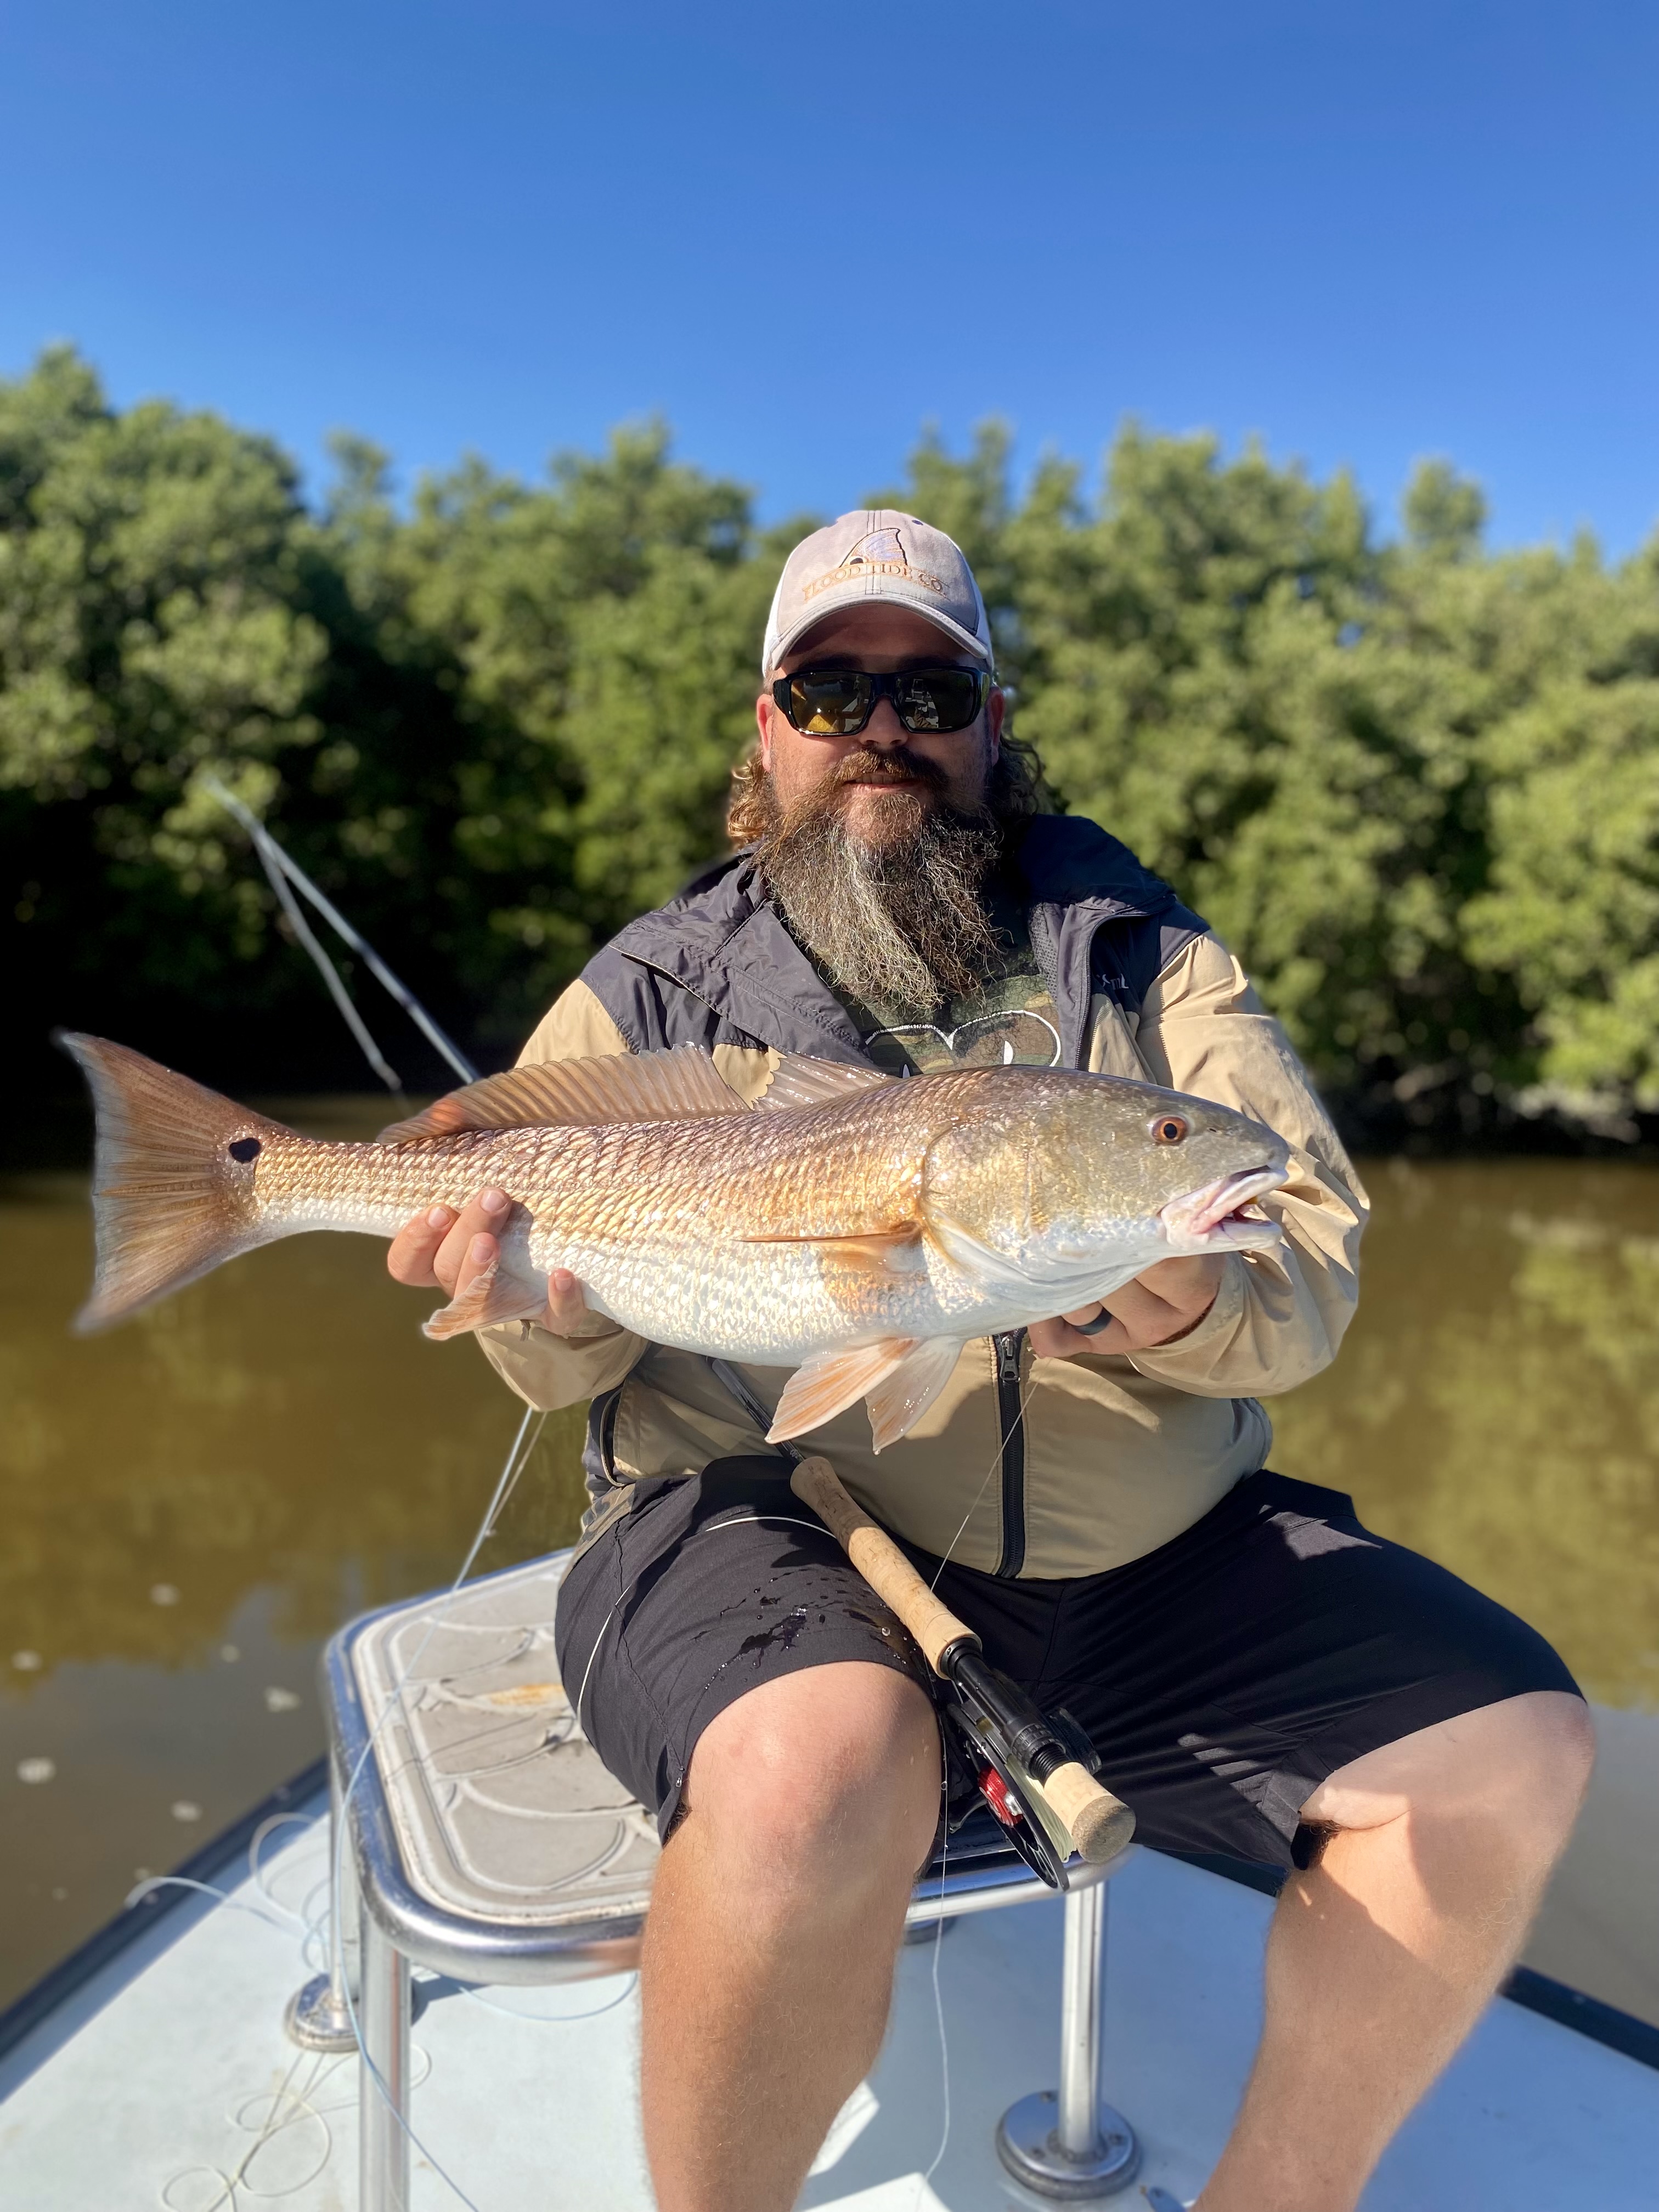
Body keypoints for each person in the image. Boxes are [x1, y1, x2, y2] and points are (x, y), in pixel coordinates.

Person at [388, 511, 1592, 2212]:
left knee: (1513, 1745)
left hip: (1144, 1551)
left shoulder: (1150, 961)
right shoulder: (647, 993)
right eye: (830, 691)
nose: (880, 728)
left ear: (993, 722)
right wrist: (542, 1301)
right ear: (766, 729)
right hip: (769, 1529)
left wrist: (1176, 1301)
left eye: (931, 689)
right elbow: (555, 1381)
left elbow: (1306, 1252)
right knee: (811, 1767)